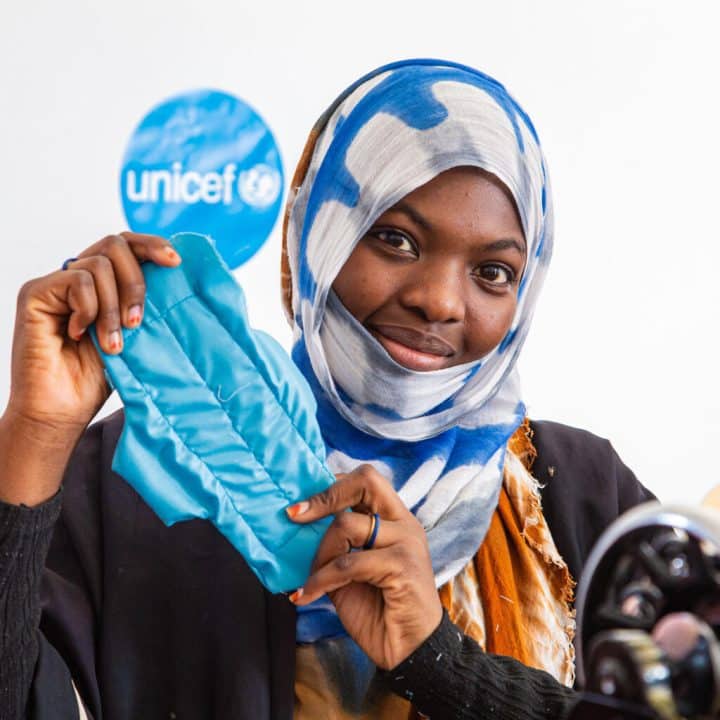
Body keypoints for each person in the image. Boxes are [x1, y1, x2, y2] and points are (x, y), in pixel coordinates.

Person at [0, 59, 654, 720]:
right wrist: (35, 432)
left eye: (492, 271)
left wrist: (442, 664)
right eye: (394, 238)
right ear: (313, 236)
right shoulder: (134, 480)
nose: (439, 301)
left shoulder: (577, 495)